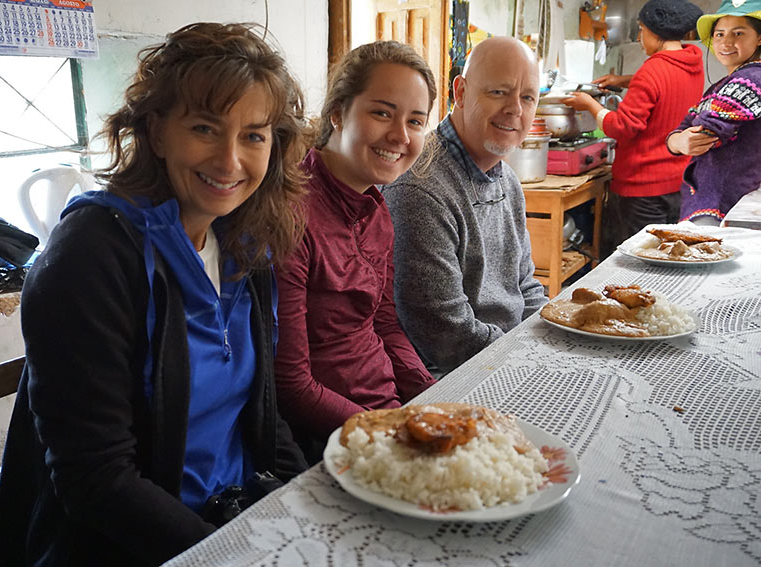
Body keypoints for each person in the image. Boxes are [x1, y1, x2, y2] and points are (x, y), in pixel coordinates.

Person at [0, 23, 309, 566]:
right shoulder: (93, 255)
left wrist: (307, 505)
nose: (230, 161)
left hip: (232, 516)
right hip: (131, 545)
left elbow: (259, 413)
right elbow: (96, 479)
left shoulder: (245, 242)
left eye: (254, 135)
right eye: (205, 128)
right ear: (157, 132)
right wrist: (226, 555)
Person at [274, 41, 436, 460]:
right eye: (382, 112)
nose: (400, 135)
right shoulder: (291, 214)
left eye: (416, 121)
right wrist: (385, 431)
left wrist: (431, 395)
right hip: (327, 435)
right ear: (337, 112)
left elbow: (382, 321)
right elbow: (291, 384)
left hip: (385, 412)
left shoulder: (377, 209)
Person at [382, 36, 548, 377]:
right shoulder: (420, 188)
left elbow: (527, 287)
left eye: (528, 97)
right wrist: (529, 360)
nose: (515, 109)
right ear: (459, 92)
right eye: (499, 92)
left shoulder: (508, 181)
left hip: (505, 353)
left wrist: (553, 339)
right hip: (452, 377)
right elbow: (446, 336)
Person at [562, 0, 704, 254]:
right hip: (676, 185)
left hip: (642, 189)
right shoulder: (692, 63)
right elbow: (667, 84)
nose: (640, 38)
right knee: (663, 259)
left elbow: (622, 127)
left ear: (655, 32)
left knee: (632, 262)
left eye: (641, 30)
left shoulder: (652, 70)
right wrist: (624, 80)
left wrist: (590, 105)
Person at [666, 0, 761, 224]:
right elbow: (684, 129)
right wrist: (678, 140)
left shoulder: (752, 79)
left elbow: (705, 131)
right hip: (711, 201)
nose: (726, 42)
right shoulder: (723, 84)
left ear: (759, 38)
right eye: (719, 34)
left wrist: (680, 139)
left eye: (738, 33)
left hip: (724, 205)